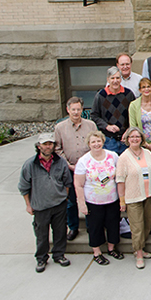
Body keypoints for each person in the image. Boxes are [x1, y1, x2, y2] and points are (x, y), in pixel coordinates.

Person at [18, 133, 73, 273]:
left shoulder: (60, 162)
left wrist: (64, 197)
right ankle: (41, 258)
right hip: (40, 205)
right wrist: (28, 205)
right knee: (41, 234)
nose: (48, 147)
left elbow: (67, 182)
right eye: (45, 144)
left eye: (50, 144)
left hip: (59, 204)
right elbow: (24, 186)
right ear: (38, 146)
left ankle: (59, 255)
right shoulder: (30, 164)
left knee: (60, 231)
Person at [74, 130, 123, 265]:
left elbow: (119, 178)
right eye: (93, 142)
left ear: (103, 141)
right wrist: (82, 204)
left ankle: (112, 248)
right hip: (93, 201)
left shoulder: (113, 156)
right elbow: (78, 184)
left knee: (113, 225)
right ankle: (97, 252)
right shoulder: (84, 161)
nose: (96, 144)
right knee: (95, 227)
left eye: (98, 141)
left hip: (112, 199)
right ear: (89, 144)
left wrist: (121, 198)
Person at [54, 96, 96, 242]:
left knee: (90, 198)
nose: (76, 112)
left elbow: (96, 145)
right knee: (72, 200)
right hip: (69, 168)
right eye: (73, 110)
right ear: (68, 110)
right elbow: (57, 149)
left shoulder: (91, 125)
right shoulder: (60, 128)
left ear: (82, 110)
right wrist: (68, 165)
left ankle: (92, 226)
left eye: (79, 109)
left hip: (89, 170)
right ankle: (73, 227)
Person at [116, 127, 151, 270]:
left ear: (142, 138)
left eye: (137, 136)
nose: (135, 139)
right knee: (137, 226)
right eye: (132, 137)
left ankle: (141, 248)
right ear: (127, 139)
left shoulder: (147, 153)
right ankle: (138, 253)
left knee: (147, 224)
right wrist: (121, 200)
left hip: (149, 194)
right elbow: (120, 180)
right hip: (133, 197)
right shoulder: (123, 157)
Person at [91, 67, 136, 154]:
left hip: (125, 139)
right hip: (108, 140)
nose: (115, 81)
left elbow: (134, 115)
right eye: (112, 78)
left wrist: (129, 130)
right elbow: (94, 115)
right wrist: (107, 126)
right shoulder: (101, 95)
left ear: (121, 79)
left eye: (117, 78)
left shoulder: (128, 94)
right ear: (108, 79)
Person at [129, 77, 151, 165]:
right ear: (140, 90)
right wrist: (146, 144)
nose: (146, 89)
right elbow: (133, 127)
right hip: (141, 144)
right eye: (143, 87)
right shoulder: (134, 105)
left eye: (148, 86)